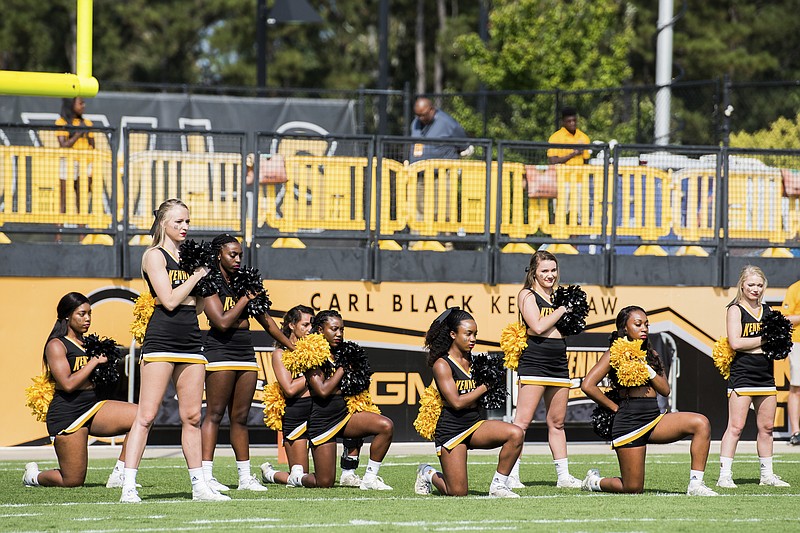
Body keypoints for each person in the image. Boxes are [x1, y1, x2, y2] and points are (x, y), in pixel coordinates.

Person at [120, 198, 229, 503]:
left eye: (188, 222)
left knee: (193, 416)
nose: (185, 227)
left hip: (191, 341)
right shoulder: (154, 256)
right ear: (163, 223)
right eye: (179, 221)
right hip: (161, 340)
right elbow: (167, 300)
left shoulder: (191, 258)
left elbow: (194, 309)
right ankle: (128, 485)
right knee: (146, 416)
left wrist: (205, 285)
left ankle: (199, 486)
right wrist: (196, 277)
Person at [580, 306, 718, 496]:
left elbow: (665, 390)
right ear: (624, 328)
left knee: (701, 423)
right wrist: (614, 408)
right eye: (638, 324)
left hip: (654, 419)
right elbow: (588, 385)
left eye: (646, 324)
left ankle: (696, 485)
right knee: (633, 488)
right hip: (628, 423)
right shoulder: (614, 353)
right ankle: (595, 481)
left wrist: (647, 368)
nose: (644, 328)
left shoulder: (652, 355)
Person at [200, 234, 294, 492]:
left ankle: (244, 478)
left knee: (240, 418)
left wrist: (293, 346)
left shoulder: (247, 282)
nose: (238, 259)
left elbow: (267, 322)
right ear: (219, 253)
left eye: (240, 254)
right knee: (215, 414)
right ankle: (206, 476)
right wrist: (244, 299)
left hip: (245, 352)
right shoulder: (208, 281)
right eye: (232, 254)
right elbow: (220, 321)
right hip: (219, 351)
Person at [23, 292, 137, 488]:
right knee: (72, 480)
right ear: (67, 316)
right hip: (68, 413)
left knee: (142, 416)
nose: (87, 319)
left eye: (89, 314)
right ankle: (33, 476)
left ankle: (120, 472)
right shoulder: (56, 345)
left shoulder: (90, 344)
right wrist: (93, 363)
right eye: (81, 314)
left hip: (93, 406)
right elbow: (67, 384)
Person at [415, 307, 524, 498]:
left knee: (515, 434)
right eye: (468, 334)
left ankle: (498, 485)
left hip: (474, 424)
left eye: (475, 334)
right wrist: (485, 387)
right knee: (457, 492)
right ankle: (427, 473)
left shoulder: (475, 362)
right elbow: (456, 402)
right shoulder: (442, 364)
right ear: (453, 334)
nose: (473, 339)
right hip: (451, 429)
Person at [290, 310, 394, 490]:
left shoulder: (343, 352)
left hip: (345, 414)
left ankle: (370, 477)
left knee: (386, 426)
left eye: (342, 330)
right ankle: (297, 478)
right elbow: (322, 391)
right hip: (323, 419)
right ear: (321, 330)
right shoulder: (311, 353)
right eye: (334, 329)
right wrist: (343, 368)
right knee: (324, 482)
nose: (339, 334)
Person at [507, 251, 581, 489]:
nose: (550, 275)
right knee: (522, 423)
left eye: (553, 270)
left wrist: (573, 316)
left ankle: (563, 477)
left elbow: (564, 330)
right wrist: (563, 310)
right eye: (544, 271)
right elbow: (537, 326)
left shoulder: (559, 296)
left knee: (557, 422)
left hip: (558, 362)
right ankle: (511, 475)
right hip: (535, 362)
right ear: (533, 273)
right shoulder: (527, 295)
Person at [716, 265, 790, 488]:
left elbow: (778, 345)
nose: (755, 289)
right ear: (742, 285)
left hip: (766, 376)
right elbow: (736, 343)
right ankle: (724, 476)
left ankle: (767, 475)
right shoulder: (735, 310)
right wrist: (765, 340)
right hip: (742, 375)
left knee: (767, 428)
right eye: (751, 285)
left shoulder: (768, 311)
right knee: (736, 427)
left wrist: (762, 344)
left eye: (759, 285)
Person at [260, 305, 315, 485]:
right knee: (299, 477)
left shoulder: (317, 350)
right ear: (291, 325)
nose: (309, 329)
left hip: (319, 413)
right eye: (305, 325)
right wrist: (313, 373)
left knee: (322, 477)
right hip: (296, 415)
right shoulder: (280, 353)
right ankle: (270, 474)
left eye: (311, 325)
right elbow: (290, 389)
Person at [55, 97, 94, 214]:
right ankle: (59, 231)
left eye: (84, 102)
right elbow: (63, 145)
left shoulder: (87, 123)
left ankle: (82, 232)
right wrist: (78, 133)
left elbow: (92, 145)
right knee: (63, 199)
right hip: (68, 163)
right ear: (71, 104)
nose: (83, 106)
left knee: (82, 200)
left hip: (84, 164)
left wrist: (91, 169)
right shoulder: (61, 122)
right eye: (80, 103)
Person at [408, 97, 472, 163]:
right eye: (418, 115)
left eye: (423, 115)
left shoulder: (447, 122)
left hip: (443, 171)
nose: (421, 118)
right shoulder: (415, 122)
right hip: (416, 170)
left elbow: (464, 146)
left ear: (431, 110)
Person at [781, 279, 800, 445]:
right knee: (796, 387)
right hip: (798, 342)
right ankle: (796, 432)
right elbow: (786, 319)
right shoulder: (795, 288)